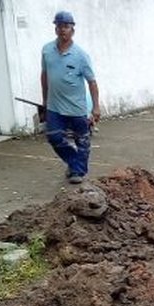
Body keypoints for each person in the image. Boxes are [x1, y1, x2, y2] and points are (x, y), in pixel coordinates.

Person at [41, 11, 100, 184]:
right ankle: (75, 163)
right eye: (59, 26)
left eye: (66, 26)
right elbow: (44, 76)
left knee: (82, 141)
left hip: (77, 108)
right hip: (54, 107)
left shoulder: (81, 55)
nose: (62, 30)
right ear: (55, 29)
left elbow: (92, 82)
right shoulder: (46, 51)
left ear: (72, 29)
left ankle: (77, 171)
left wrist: (95, 107)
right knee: (54, 137)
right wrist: (45, 101)